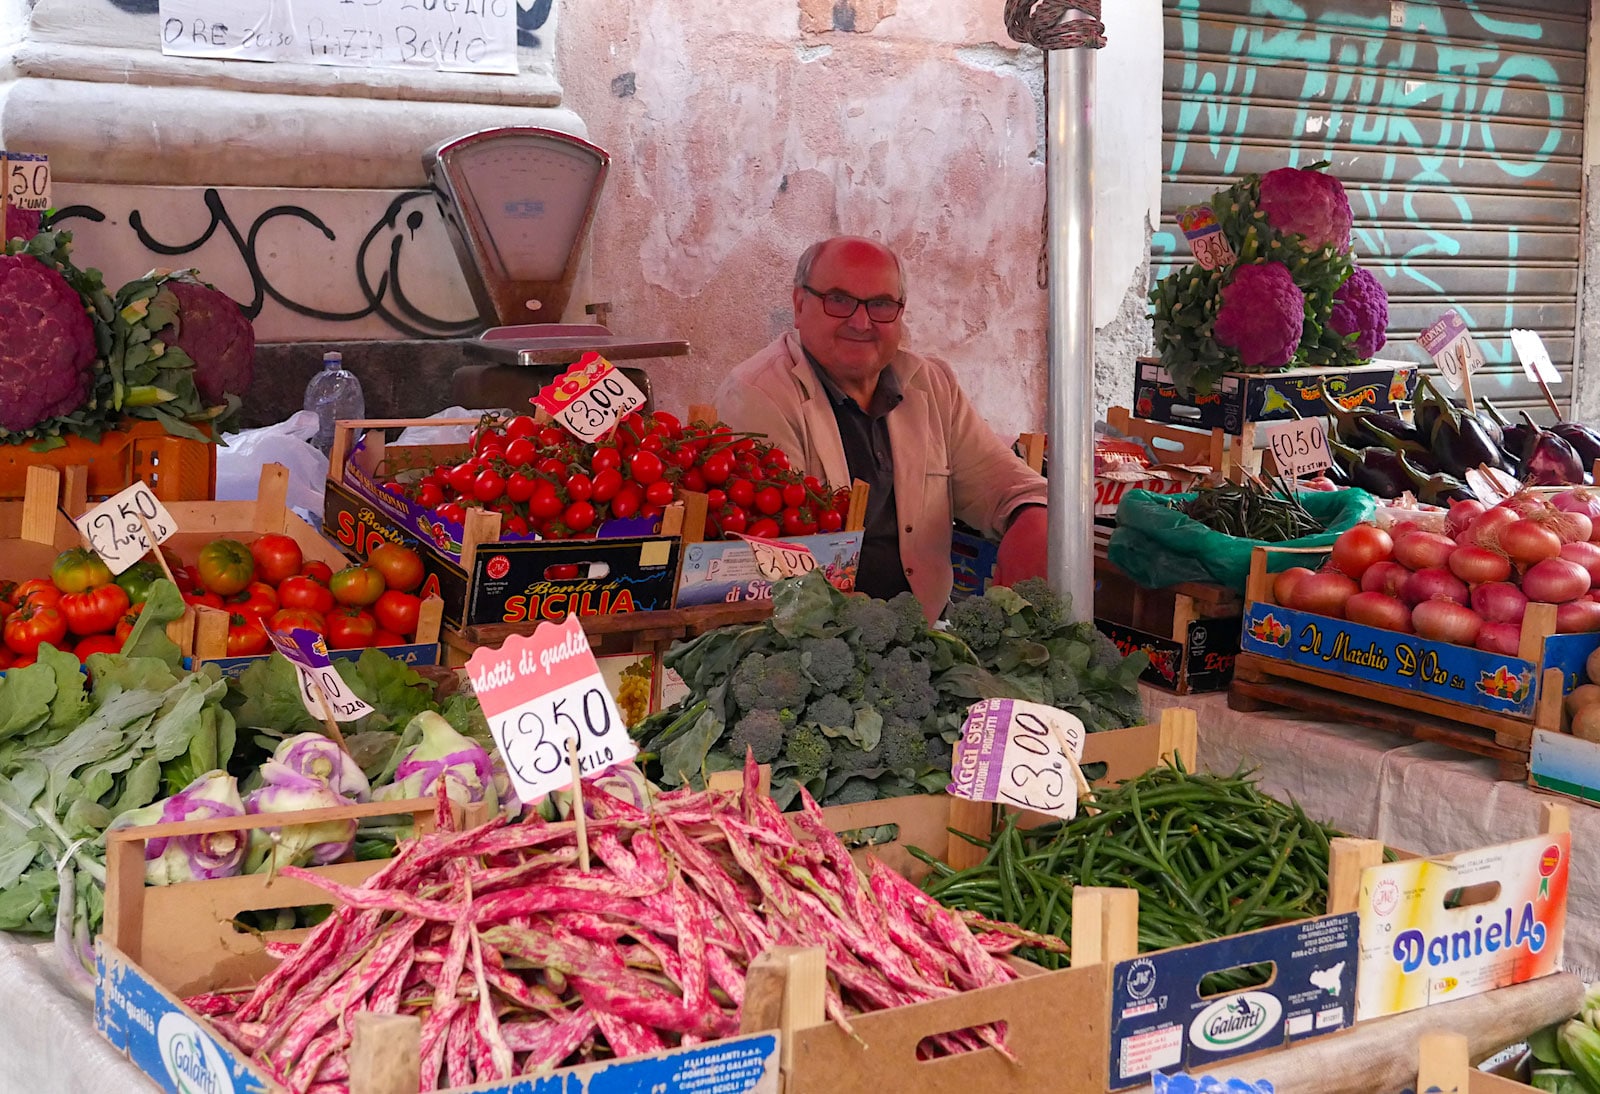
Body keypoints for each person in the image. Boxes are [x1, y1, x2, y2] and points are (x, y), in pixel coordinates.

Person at [715, 236, 1049, 617]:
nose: (861, 322)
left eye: (880, 305)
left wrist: (1033, 520)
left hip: (925, 633)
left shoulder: (930, 384)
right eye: (838, 300)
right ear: (798, 304)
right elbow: (780, 563)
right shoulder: (760, 395)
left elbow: (1005, 484)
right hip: (814, 645)